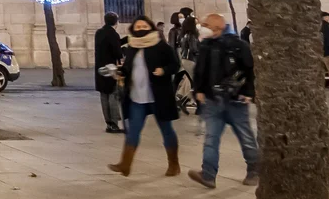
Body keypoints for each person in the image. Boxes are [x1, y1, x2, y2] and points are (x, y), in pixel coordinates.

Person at [189, 13, 258, 189]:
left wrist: (249, 92)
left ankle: (254, 171)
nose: (202, 26)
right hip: (212, 100)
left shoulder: (237, 45)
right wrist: (198, 90)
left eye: (206, 24)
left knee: (246, 137)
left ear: (217, 27)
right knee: (211, 138)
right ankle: (208, 175)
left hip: (236, 100)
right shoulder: (206, 45)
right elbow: (200, 71)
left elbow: (250, 70)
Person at [108, 17, 181, 177]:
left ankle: (174, 164)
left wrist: (164, 70)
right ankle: (125, 164)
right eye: (138, 26)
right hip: (137, 97)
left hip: (158, 96)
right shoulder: (133, 47)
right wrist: (121, 72)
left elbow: (175, 65)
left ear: (151, 27)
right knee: (133, 131)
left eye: (144, 26)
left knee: (166, 130)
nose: (141, 28)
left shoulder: (161, 46)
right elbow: (128, 68)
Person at [94, 12, 126, 134]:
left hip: (101, 68)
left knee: (104, 95)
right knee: (112, 94)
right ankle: (114, 123)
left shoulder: (99, 32)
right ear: (116, 21)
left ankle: (108, 123)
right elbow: (117, 50)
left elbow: (109, 45)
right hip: (111, 68)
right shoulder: (113, 34)